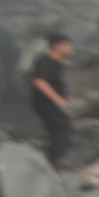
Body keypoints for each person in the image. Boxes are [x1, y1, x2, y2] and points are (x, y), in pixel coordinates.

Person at [28, 34, 76, 166]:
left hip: (53, 104)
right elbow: (39, 81)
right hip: (47, 104)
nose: (71, 49)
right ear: (57, 46)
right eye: (68, 45)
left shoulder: (57, 64)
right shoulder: (46, 61)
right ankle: (57, 159)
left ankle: (56, 158)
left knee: (60, 128)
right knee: (61, 126)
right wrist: (58, 100)